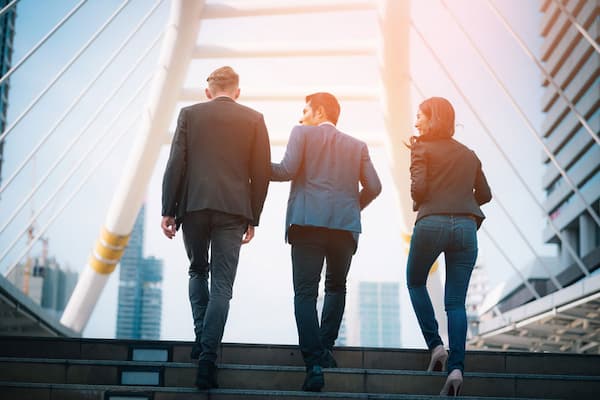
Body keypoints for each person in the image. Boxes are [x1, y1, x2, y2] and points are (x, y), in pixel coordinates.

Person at [161, 66, 271, 389]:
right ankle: (208, 358)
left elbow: (175, 163)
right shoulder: (254, 119)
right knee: (222, 284)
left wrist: (169, 209)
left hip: (193, 206)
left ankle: (200, 337)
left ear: (207, 92)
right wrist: (254, 215)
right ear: (238, 91)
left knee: (197, 270)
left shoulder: (189, 114)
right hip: (234, 210)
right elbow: (261, 172)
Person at [271, 92, 382, 392]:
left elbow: (285, 170)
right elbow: (375, 186)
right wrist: (352, 206)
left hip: (307, 224)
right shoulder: (357, 145)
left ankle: (314, 365)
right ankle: (326, 350)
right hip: (344, 228)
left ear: (319, 111)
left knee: (305, 294)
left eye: (305, 109)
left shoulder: (302, 134)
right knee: (336, 287)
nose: (301, 116)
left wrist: (252, 166)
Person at [406, 97, 492, 396]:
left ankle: (436, 346)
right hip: (467, 228)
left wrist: (427, 199)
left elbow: (418, 189)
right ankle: (456, 368)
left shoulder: (421, 148)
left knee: (416, 282)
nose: (416, 122)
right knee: (455, 303)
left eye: (420, 116)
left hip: (431, 223)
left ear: (432, 118)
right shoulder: (469, 154)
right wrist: (462, 201)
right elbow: (485, 194)